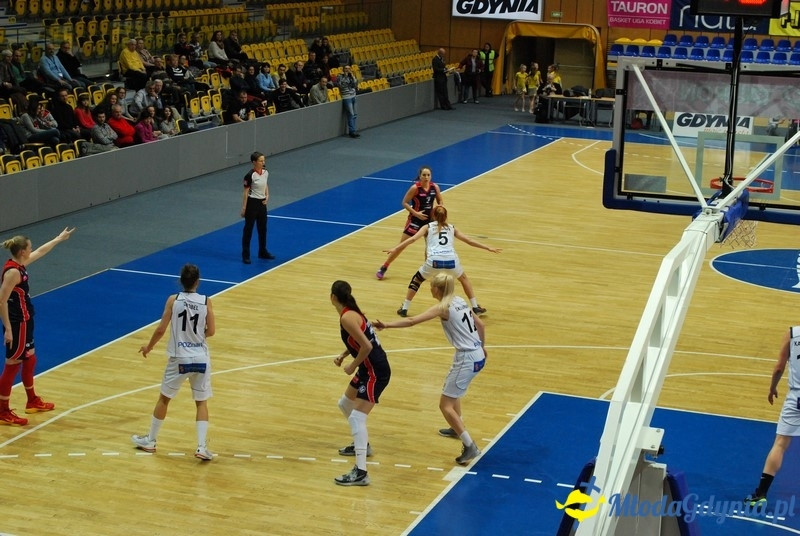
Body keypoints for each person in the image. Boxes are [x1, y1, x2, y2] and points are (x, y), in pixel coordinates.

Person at [374, 273, 486, 465]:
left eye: (432, 286)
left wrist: (386, 325)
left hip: (466, 358)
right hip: (477, 354)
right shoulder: (460, 301)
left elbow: (412, 321)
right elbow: (481, 325)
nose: (430, 288)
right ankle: (456, 425)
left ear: (438, 289)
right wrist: (482, 347)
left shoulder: (443, 307)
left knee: (445, 405)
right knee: (452, 392)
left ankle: (470, 446)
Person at [131, 264, 215, 461]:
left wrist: (149, 347)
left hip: (179, 358)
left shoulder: (173, 300)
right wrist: (196, 337)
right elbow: (211, 331)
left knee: (164, 399)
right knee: (201, 402)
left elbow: (161, 329)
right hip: (201, 358)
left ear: (180, 281)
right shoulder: (206, 301)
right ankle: (202, 447)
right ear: (198, 281)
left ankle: (151, 441)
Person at [0, 228, 75, 426]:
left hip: (26, 320)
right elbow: (1, 301)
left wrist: (58, 238)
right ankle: (2, 411)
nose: (32, 250)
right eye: (29, 247)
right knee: (12, 366)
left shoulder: (20, 264)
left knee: (30, 359)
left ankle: (32, 400)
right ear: (22, 251)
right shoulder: (12, 272)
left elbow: (41, 251)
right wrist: (8, 329)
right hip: (17, 323)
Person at [386, 206, 500, 317]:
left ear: (433, 215)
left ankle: (405, 308)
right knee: (463, 279)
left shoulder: (427, 227)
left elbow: (412, 239)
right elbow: (469, 241)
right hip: (452, 261)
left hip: (434, 261)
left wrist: (395, 248)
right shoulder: (452, 228)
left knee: (417, 280)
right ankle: (475, 306)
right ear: (446, 216)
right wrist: (488, 248)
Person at [330, 280, 391, 486]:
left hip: (375, 371)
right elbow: (358, 340)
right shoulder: (352, 312)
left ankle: (361, 472)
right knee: (345, 404)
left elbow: (366, 346)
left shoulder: (347, 317)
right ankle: (362, 444)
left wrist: (351, 365)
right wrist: (343, 354)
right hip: (368, 368)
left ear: (332, 297)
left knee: (357, 418)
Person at [744, 325, 800, 507]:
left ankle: (760, 494)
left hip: (796, 398)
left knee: (780, 444)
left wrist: (772, 387)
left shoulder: (793, 334)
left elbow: (779, 368)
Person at [376, 165, 442, 280]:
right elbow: (405, 202)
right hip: (415, 221)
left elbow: (440, 201)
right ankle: (384, 266)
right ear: (420, 176)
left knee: (429, 248)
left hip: (429, 221)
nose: (426, 177)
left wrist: (439, 209)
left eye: (428, 175)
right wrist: (416, 213)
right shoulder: (415, 188)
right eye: (424, 175)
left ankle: (427, 270)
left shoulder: (435, 187)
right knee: (402, 245)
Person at [241, 151, 274, 263]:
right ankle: (246, 255)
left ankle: (262, 251)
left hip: (262, 204)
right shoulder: (250, 175)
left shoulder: (265, 172)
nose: (263, 162)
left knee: (263, 229)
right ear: (254, 162)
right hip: (252, 203)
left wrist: (267, 195)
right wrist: (244, 208)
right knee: (248, 230)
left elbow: (265, 184)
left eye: (264, 160)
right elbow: (245, 192)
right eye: (260, 161)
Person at [337, 64, 359, 138]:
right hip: (346, 97)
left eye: (349, 68)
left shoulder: (351, 76)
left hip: (353, 96)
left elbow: (355, 85)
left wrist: (352, 76)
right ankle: (352, 131)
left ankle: (354, 130)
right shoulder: (340, 76)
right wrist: (346, 77)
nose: (347, 70)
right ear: (343, 70)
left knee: (355, 114)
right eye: (346, 68)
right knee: (351, 114)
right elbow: (341, 85)